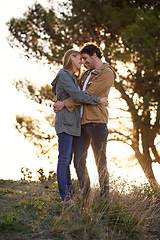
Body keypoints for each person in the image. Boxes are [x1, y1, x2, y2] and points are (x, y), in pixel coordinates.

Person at [53, 43, 116, 204]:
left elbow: (86, 95)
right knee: (78, 161)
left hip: (97, 123)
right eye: (81, 59)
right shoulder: (84, 74)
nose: (84, 62)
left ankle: (104, 199)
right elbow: (76, 93)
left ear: (94, 55)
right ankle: (87, 195)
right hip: (80, 124)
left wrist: (64, 103)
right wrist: (61, 101)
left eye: (86, 58)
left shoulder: (107, 73)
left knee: (100, 161)